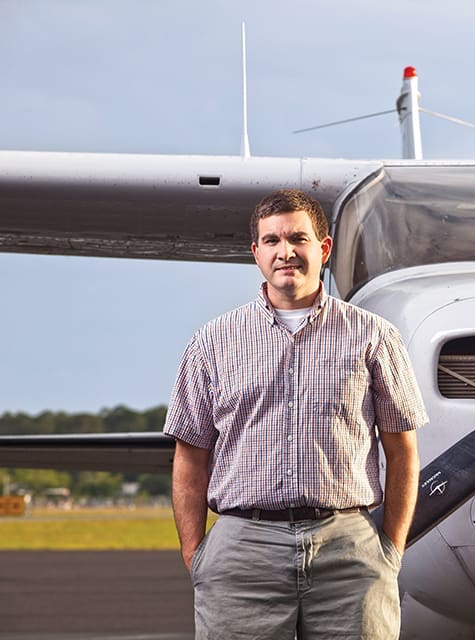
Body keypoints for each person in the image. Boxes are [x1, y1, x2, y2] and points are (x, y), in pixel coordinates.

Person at [164, 188, 428, 639]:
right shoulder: (212, 342)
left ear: (323, 249)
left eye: (298, 239)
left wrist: (391, 550)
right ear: (256, 253)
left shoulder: (374, 337)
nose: (285, 252)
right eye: (272, 241)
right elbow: (190, 456)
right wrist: (196, 552)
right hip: (242, 553)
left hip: (349, 552)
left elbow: (402, 452)